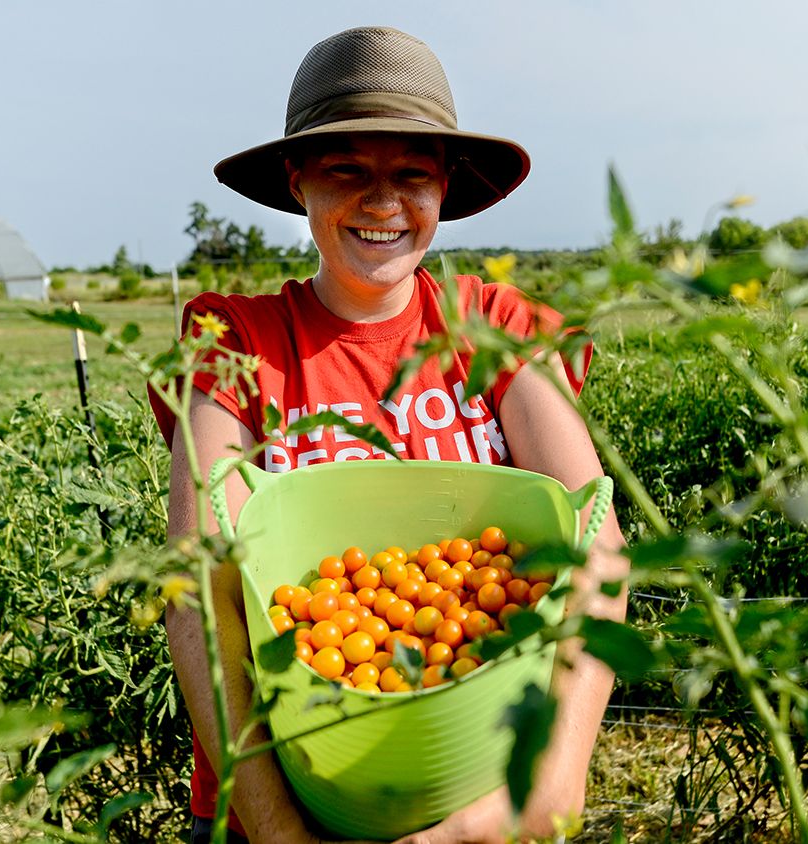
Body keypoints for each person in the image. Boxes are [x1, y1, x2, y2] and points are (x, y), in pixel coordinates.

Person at [156, 26, 626, 844]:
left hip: (482, 802)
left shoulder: (494, 330)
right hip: (283, 804)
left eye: (411, 175)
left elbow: (599, 551)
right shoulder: (235, 344)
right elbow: (199, 594)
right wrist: (274, 831)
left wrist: (549, 788)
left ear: (444, 188)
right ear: (298, 181)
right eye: (348, 172)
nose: (382, 203)